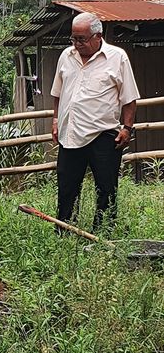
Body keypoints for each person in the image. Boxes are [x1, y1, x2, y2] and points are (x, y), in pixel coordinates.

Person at [50, 12, 139, 233]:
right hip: (70, 133)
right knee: (67, 187)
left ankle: (103, 232)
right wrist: (55, 120)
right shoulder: (66, 56)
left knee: (106, 187)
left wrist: (127, 128)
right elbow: (58, 93)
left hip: (103, 134)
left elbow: (129, 98)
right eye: (73, 38)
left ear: (98, 36)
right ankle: (65, 230)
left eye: (81, 39)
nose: (76, 44)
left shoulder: (117, 57)